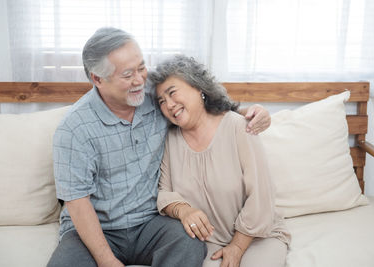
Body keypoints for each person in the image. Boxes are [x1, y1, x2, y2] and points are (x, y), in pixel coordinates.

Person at [47, 27, 271, 267]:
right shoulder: (73, 130)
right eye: (127, 74)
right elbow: (77, 203)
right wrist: (107, 260)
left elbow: (196, 106)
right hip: (96, 230)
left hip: (150, 224)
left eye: (141, 67)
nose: (139, 80)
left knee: (190, 243)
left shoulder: (155, 96)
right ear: (98, 79)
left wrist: (246, 113)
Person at [149, 55, 291, 267]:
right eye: (161, 101)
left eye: (172, 93)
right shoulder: (171, 139)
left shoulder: (238, 127)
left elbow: (261, 195)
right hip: (207, 242)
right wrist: (184, 210)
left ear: (198, 88)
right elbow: (165, 193)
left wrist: (237, 246)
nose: (169, 105)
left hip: (258, 237)